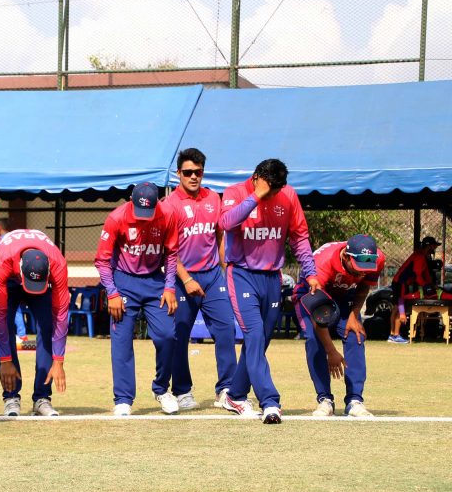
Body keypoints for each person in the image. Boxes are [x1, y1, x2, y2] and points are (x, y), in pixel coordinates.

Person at [218, 158, 319, 424]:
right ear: (257, 179)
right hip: (241, 274)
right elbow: (226, 223)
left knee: (261, 340)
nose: (275, 194)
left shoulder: (288, 195)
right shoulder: (235, 192)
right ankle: (270, 401)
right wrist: (257, 196)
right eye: (271, 189)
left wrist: (310, 272)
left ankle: (234, 395)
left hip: (273, 277)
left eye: (278, 189)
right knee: (254, 336)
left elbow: (299, 237)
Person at [95, 182, 179, 416]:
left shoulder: (168, 214)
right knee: (121, 341)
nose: (144, 217)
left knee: (167, 335)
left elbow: (172, 253)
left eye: (148, 212)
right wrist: (112, 292)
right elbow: (102, 260)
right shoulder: (116, 218)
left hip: (155, 280)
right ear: (131, 201)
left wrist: (170, 286)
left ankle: (161, 389)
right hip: (124, 281)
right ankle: (123, 399)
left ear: (157, 204)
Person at [162, 148, 237, 410]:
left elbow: (219, 236)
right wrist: (186, 279)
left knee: (226, 329)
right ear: (178, 173)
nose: (193, 176)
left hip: (213, 276)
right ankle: (182, 391)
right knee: (179, 335)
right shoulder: (169, 205)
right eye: (188, 172)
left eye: (198, 172)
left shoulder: (213, 198)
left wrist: (226, 269)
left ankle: (226, 389)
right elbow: (168, 251)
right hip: (182, 278)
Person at [294, 235, 385, 418]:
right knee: (314, 340)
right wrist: (331, 351)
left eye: (366, 268)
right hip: (312, 294)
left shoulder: (378, 259)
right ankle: (325, 400)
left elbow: (364, 286)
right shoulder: (322, 264)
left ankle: (354, 401)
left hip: (344, 295)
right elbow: (319, 315)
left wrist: (353, 315)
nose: (362, 273)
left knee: (356, 335)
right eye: (358, 267)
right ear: (345, 257)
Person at [0, 229, 69, 416]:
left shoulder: (58, 264)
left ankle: (42, 398)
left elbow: (61, 316)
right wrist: (5, 360)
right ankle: (11, 397)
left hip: (37, 271)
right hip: (9, 278)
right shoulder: (2, 261)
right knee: (7, 326)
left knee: (47, 326)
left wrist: (59, 361)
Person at [388, 235, 441, 343]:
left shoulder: (422, 256)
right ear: (429, 246)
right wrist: (426, 286)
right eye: (434, 246)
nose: (435, 249)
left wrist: (431, 284)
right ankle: (395, 335)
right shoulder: (419, 256)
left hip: (398, 282)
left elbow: (426, 274)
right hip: (401, 283)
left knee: (396, 308)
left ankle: (392, 335)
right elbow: (418, 275)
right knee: (399, 308)